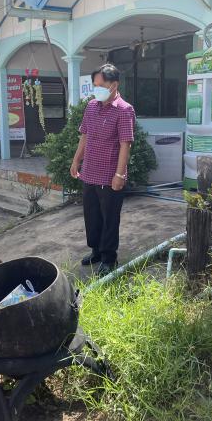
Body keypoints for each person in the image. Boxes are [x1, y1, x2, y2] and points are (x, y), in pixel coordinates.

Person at [70, 64, 135, 276]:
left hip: (110, 175)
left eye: (101, 85)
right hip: (89, 172)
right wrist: (76, 161)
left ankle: (108, 257)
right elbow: (84, 136)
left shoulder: (124, 110)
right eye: (94, 85)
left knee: (109, 218)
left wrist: (119, 174)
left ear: (114, 85)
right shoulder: (91, 107)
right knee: (92, 215)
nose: (96, 89)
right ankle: (96, 251)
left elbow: (125, 144)